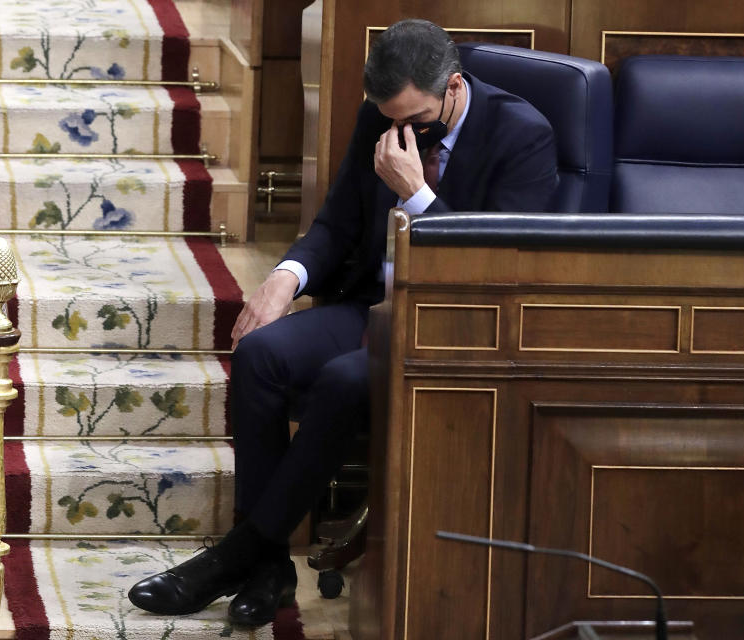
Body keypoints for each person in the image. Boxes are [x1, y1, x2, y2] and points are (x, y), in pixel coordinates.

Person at [128, 18, 558, 626]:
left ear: (455, 87)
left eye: (417, 121)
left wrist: (418, 198)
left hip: (456, 325)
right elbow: (335, 224)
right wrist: (286, 277)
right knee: (261, 353)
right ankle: (270, 565)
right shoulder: (379, 118)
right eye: (389, 119)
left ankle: (235, 556)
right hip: (369, 307)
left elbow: (506, 267)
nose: (400, 132)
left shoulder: (524, 135)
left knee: (344, 381)